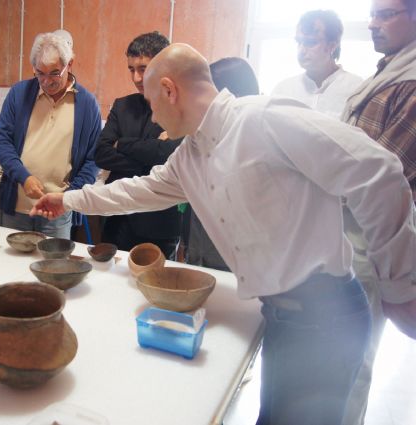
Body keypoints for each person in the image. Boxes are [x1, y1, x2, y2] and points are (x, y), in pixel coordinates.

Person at [31, 43, 416, 425]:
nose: (152, 115)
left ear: (170, 90)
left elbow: (378, 172)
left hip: (327, 316)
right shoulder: (191, 155)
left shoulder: (265, 119)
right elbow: (135, 191)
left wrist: (398, 287)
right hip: (283, 315)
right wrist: (67, 200)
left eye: (151, 103)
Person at [340, 1, 416, 423]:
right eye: (372, 13)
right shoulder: (389, 72)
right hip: (345, 229)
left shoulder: (412, 81)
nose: (372, 23)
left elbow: (381, 175)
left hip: (368, 238)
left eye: (386, 13)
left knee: (351, 359)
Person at [0, 32, 100, 239]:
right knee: (10, 266)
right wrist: (24, 178)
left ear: (70, 64)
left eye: (54, 73)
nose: (46, 81)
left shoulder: (87, 104)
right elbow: (1, 141)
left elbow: (94, 158)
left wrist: (68, 197)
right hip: (17, 207)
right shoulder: (19, 93)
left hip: (57, 212)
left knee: (56, 267)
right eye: (39, 73)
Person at [94, 31, 182, 259]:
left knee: (154, 290)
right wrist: (148, 156)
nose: (136, 77)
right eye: (131, 69)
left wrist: (121, 143)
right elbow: (101, 154)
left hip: (158, 223)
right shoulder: (122, 105)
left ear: (164, 65)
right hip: (116, 218)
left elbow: (168, 156)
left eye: (143, 68)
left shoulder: (178, 107)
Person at [181, 57, 259, 270]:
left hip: (239, 268)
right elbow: (153, 186)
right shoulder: (198, 140)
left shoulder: (261, 144)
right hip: (199, 254)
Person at [271, 10, 363, 119]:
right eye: (298, 42)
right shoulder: (283, 90)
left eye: (310, 42)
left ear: (332, 46)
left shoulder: (356, 89)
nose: (301, 50)